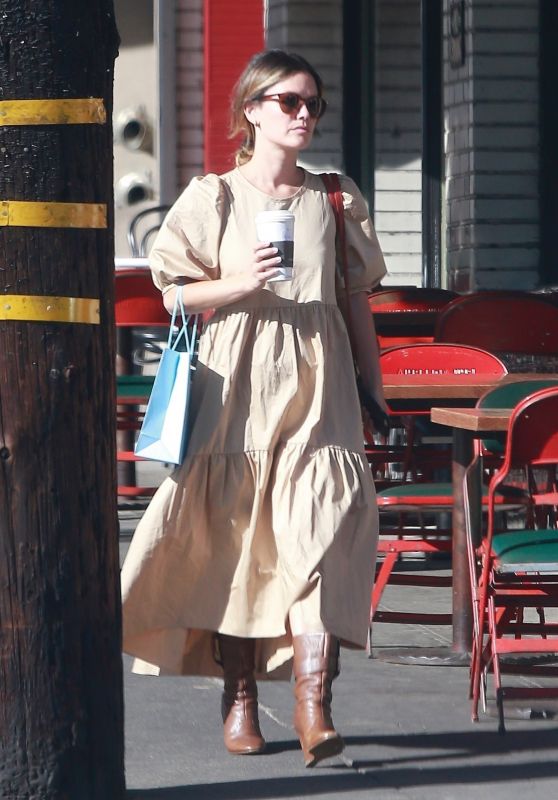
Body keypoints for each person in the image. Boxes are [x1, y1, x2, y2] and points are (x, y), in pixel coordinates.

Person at [121, 49, 387, 768]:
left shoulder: (334, 196)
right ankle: (240, 693)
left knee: (321, 536)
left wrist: (375, 385)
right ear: (253, 111)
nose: (305, 115)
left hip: (318, 387)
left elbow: (353, 300)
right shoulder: (215, 198)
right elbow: (174, 295)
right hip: (235, 385)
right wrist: (237, 283)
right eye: (290, 102)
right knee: (242, 544)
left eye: (313, 104)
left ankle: (312, 705)